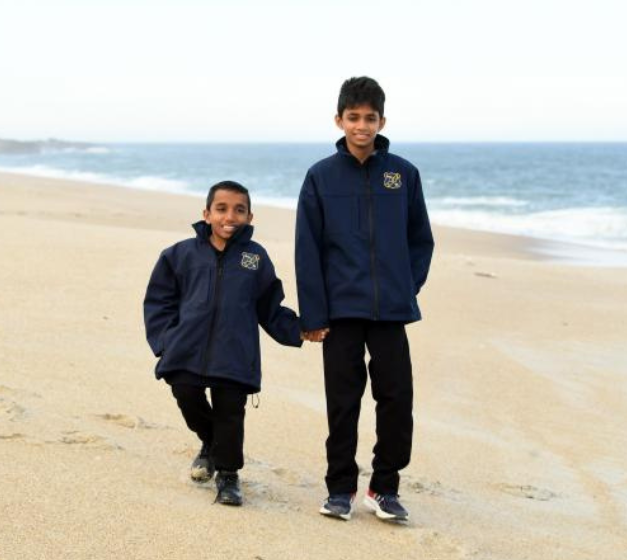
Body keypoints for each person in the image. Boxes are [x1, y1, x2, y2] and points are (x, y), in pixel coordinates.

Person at [295, 76, 434, 522]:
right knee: (343, 399)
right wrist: (313, 313)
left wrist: (404, 287)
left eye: (369, 118)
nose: (361, 125)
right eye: (353, 117)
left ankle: (385, 488)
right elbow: (307, 249)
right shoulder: (320, 176)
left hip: (391, 310)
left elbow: (421, 240)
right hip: (340, 310)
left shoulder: (403, 174)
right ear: (339, 120)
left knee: (397, 397)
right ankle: (340, 489)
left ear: (381, 121)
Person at [144, 180, 303, 506]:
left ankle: (228, 476)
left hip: (235, 352)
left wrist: (301, 330)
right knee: (186, 395)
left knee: (231, 412)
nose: (230, 216)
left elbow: (269, 306)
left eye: (239, 210)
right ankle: (210, 443)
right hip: (186, 350)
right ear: (206, 213)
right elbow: (159, 301)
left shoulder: (255, 258)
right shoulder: (179, 254)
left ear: (249, 216)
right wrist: (165, 341)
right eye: (222, 208)